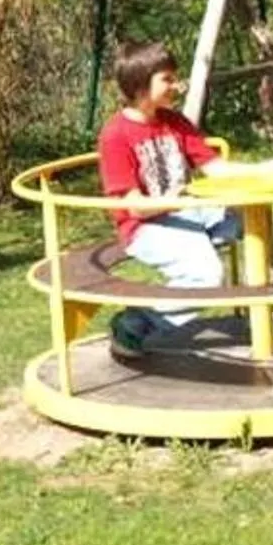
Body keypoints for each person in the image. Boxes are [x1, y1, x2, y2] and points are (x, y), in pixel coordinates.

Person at [94, 39, 243, 359]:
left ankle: (269, 305)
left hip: (189, 212)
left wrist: (261, 171)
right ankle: (137, 322)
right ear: (139, 84)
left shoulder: (174, 121)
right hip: (145, 225)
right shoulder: (115, 135)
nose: (176, 85)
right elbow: (132, 206)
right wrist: (174, 200)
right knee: (206, 276)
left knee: (255, 222)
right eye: (167, 79)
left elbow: (215, 168)